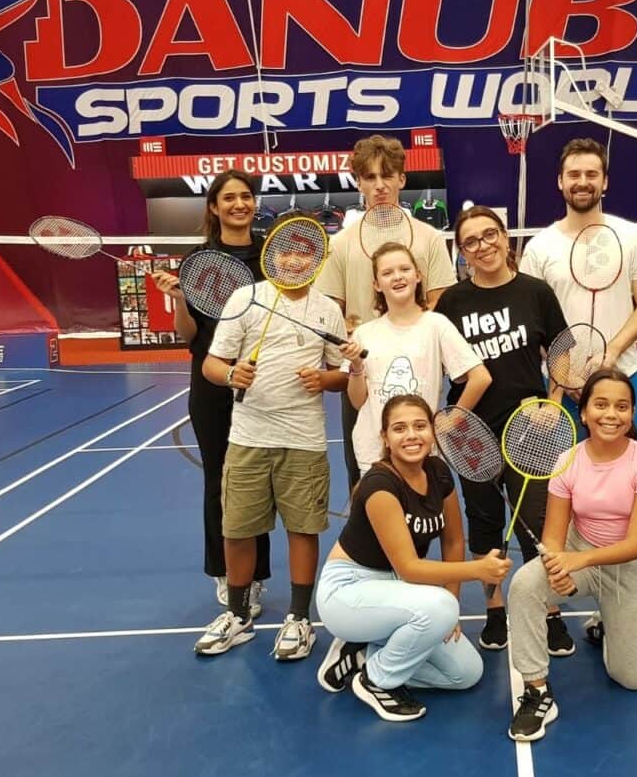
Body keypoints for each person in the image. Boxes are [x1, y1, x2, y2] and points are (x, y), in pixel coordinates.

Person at [192, 214, 347, 660]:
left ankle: (299, 618)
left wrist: (325, 378)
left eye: (304, 251)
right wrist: (231, 373)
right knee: (237, 529)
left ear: (316, 258)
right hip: (248, 437)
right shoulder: (246, 298)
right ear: (271, 252)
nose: (295, 259)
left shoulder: (326, 308)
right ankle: (238, 615)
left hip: (303, 439)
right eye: (287, 249)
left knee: (303, 528)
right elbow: (212, 364)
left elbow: (342, 371)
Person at [314, 395, 510, 722]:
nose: (411, 435)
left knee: (466, 672)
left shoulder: (437, 471)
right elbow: (409, 567)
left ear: (433, 431)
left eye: (420, 426)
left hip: (394, 589)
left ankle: (361, 653)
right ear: (385, 438)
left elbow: (452, 539)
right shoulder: (379, 486)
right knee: (439, 609)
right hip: (349, 591)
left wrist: (452, 602)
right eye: (399, 428)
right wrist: (479, 570)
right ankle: (377, 679)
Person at [433, 205, 574, 654]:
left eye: (489, 235)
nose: (482, 246)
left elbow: (562, 346)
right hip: (472, 434)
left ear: (506, 239)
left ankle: (547, 610)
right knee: (485, 524)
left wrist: (555, 401)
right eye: (470, 241)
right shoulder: (452, 302)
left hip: (529, 431)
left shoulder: (535, 291)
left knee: (535, 523)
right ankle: (495, 609)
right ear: (462, 252)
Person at [505, 369, 637, 742]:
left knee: (632, 679)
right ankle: (536, 690)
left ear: (632, 413)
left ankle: (607, 620)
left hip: (627, 568)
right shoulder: (567, 460)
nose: (611, 414)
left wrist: (577, 562)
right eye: (601, 404)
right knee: (527, 584)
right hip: (580, 553)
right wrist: (556, 566)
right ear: (585, 413)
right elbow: (554, 537)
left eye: (622, 406)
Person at [150, 170, 271, 615]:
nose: (239, 204)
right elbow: (187, 337)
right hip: (212, 385)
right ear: (214, 207)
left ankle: (256, 575)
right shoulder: (197, 261)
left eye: (246, 196)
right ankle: (226, 573)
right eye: (230, 198)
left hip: (263, 382)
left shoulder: (268, 257)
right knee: (220, 480)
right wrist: (180, 299)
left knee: (257, 483)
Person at [315, 136, 458, 492]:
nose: (379, 185)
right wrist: (355, 341)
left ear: (401, 180)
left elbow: (442, 300)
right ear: (359, 182)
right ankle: (369, 544)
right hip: (363, 376)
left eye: (387, 176)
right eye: (370, 177)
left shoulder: (429, 238)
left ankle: (417, 543)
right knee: (363, 469)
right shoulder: (342, 243)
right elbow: (332, 309)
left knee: (422, 466)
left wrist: (407, 334)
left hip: (417, 373)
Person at [518, 137, 637, 440]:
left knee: (631, 477)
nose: (582, 182)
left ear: (605, 182)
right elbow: (532, 323)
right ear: (560, 182)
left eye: (592, 174)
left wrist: (611, 352)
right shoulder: (539, 248)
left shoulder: (631, 236)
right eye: (574, 174)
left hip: (622, 377)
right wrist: (563, 376)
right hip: (560, 391)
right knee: (570, 484)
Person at [345, 242, 490, 475]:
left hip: (420, 450)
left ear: (418, 276)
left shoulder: (436, 325)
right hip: (373, 453)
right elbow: (357, 400)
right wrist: (356, 365)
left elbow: (480, 378)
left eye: (404, 269)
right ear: (376, 284)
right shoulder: (365, 333)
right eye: (387, 273)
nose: (397, 277)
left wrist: (448, 422)